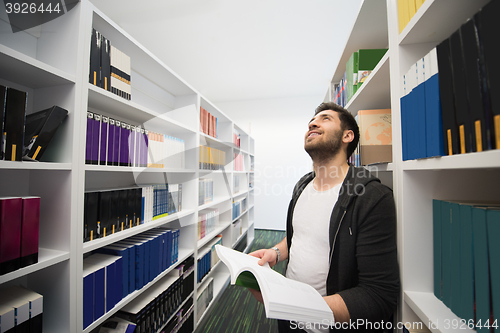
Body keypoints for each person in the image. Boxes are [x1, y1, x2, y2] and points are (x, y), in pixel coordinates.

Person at [249, 102, 400, 332]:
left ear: (347, 135)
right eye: (312, 120)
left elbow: (378, 295)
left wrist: (295, 305)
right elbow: (299, 236)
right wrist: (276, 253)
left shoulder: (371, 197)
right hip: (289, 319)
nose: (313, 122)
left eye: (325, 118)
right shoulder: (302, 185)